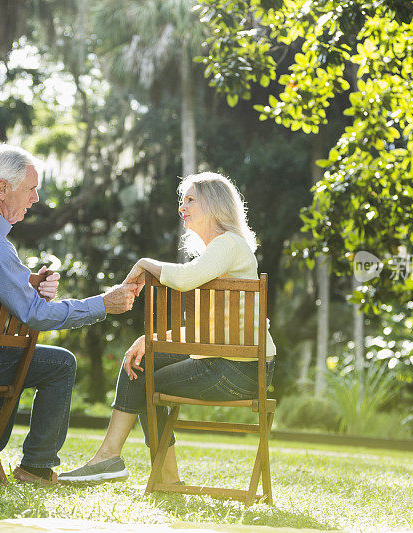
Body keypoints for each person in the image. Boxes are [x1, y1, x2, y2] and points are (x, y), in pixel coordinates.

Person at [0, 143, 138, 485]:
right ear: (3, 189)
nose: (34, 199)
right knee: (60, 363)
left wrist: (28, 283)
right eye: (30, 189)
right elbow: (34, 315)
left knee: (16, 357)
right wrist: (103, 304)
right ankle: (36, 466)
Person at [58, 172, 276, 484]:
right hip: (229, 360)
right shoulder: (219, 252)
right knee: (140, 360)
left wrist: (145, 263)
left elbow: (184, 278)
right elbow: (210, 331)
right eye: (181, 200)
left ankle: (130, 465)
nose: (182, 207)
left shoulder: (228, 245)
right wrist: (152, 339)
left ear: (214, 205)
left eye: (190, 200)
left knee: (146, 380)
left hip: (240, 370)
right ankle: (140, 468)